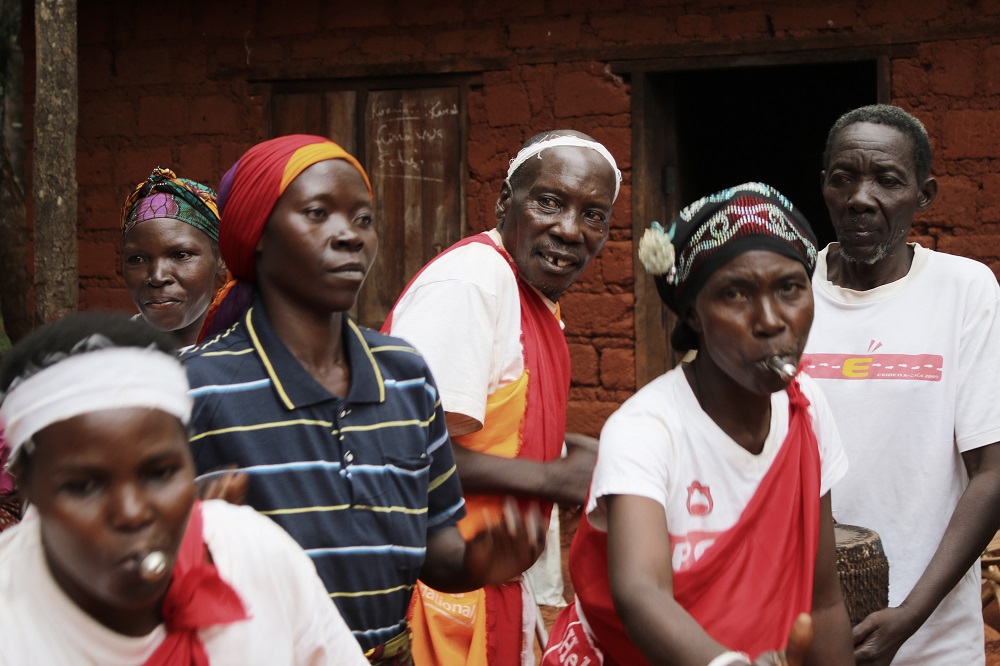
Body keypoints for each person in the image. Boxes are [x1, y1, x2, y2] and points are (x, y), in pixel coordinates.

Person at [183, 134, 543, 665]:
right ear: (256, 233)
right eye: (317, 213)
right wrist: (192, 535)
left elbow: (433, 546)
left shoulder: (403, 375)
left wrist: (476, 560)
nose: (349, 236)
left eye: (363, 219)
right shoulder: (199, 388)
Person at [542, 183, 855, 666]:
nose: (771, 320)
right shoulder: (647, 430)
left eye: (790, 288)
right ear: (694, 313)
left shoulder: (807, 410)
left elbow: (825, 600)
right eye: (735, 293)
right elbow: (641, 594)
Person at [0, 312, 367, 664]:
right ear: (25, 483)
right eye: (84, 486)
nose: (131, 512)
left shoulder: (252, 555)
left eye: (159, 474)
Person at [383, 130, 620, 664]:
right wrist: (552, 477)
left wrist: (561, 452)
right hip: (435, 599)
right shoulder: (472, 282)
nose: (570, 230)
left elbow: (490, 428)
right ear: (503, 203)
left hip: (486, 594)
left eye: (593, 215)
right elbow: (403, 449)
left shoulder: (526, 293)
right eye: (550, 202)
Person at [802, 104, 1000, 666]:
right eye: (844, 179)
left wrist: (910, 617)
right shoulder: (787, 292)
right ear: (825, 187)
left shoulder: (964, 290)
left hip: (931, 635)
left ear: (924, 193)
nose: (861, 198)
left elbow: (993, 472)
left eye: (888, 180)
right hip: (802, 630)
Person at [120, 167, 227, 351]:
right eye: (137, 259)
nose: (157, 277)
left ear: (221, 258)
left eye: (180, 255)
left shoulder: (251, 356)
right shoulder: (106, 361)